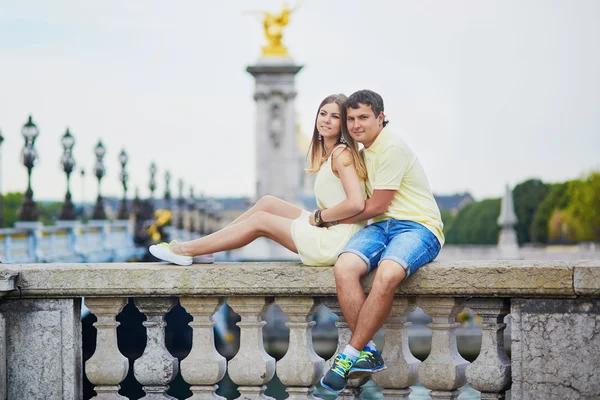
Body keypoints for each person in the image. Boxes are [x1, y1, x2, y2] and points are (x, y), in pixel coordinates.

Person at [149, 93, 369, 267]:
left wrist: (320, 217)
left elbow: (356, 203)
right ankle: (207, 249)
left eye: (335, 116)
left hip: (336, 241)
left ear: (344, 124)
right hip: (331, 230)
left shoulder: (342, 154)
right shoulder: (331, 153)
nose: (326, 120)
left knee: (261, 220)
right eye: (323, 113)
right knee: (268, 203)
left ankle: (186, 250)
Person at [320, 90, 444, 393]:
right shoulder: (360, 153)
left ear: (380, 117)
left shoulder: (392, 148)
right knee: (344, 267)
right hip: (381, 227)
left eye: (363, 117)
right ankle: (369, 352)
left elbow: (376, 205)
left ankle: (348, 356)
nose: (356, 124)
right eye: (350, 119)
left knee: (387, 274)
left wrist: (328, 219)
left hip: (418, 227)